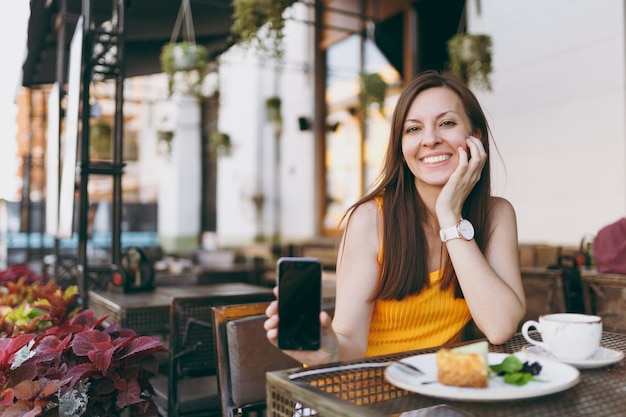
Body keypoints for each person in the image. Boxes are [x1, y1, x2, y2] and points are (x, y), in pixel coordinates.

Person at [264, 70, 526, 366]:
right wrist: (329, 351)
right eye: (413, 129)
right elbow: (350, 341)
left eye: (447, 123)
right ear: (401, 147)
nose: (429, 139)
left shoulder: (496, 215)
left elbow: (500, 327)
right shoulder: (370, 220)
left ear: (475, 134)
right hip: (367, 393)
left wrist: (449, 217)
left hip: (439, 390)